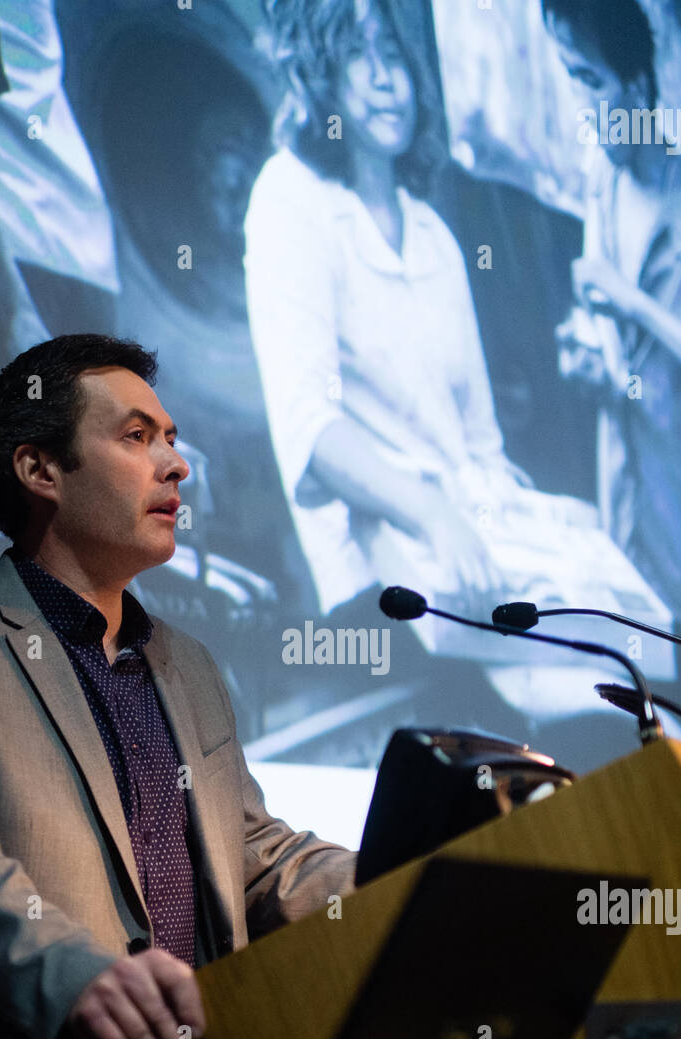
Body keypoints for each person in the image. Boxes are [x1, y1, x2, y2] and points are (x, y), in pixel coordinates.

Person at [0, 333, 357, 1039]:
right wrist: (79, 981)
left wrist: (412, 870)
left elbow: (254, 855)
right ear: (40, 470)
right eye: (138, 437)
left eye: (174, 438)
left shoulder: (187, 666)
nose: (177, 466)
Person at [244, 0, 533, 627]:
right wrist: (434, 514)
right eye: (355, 53)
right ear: (315, 73)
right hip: (378, 596)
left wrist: (528, 533)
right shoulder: (289, 199)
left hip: (474, 569)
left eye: (393, 54)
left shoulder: (434, 236)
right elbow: (311, 434)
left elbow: (482, 445)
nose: (384, 77)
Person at [544, 0, 681, 664]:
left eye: (592, 81)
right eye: (570, 78)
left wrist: (638, 307)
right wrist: (587, 356)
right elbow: (611, 342)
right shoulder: (602, 183)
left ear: (638, 87)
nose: (581, 106)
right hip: (631, 520)